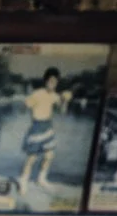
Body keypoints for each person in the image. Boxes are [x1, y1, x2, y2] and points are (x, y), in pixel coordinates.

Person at [13, 66, 73, 197]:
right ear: (45, 81)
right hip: (36, 127)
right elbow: (23, 108)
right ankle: (23, 180)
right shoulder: (37, 94)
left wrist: (65, 101)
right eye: (50, 81)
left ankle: (41, 179)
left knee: (49, 156)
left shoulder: (55, 96)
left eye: (55, 82)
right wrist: (26, 105)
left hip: (48, 128)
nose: (52, 84)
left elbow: (62, 112)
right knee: (32, 158)